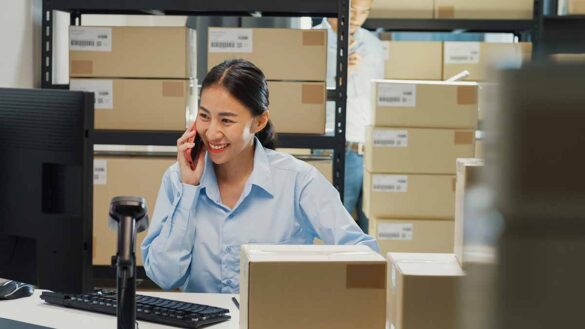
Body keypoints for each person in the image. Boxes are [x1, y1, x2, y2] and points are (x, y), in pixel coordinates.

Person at [141, 59, 379, 294]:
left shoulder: (298, 181)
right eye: (204, 116)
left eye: (226, 120)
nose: (212, 132)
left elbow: (364, 254)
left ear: (259, 121)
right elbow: (165, 276)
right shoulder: (178, 180)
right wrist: (189, 190)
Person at [314, 0, 384, 233]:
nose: (356, 18)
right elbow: (302, 98)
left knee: (375, 229)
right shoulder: (312, 41)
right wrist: (340, 75)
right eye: (353, 10)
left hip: (373, 149)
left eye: (364, 13)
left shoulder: (373, 44)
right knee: (336, 228)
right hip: (334, 146)